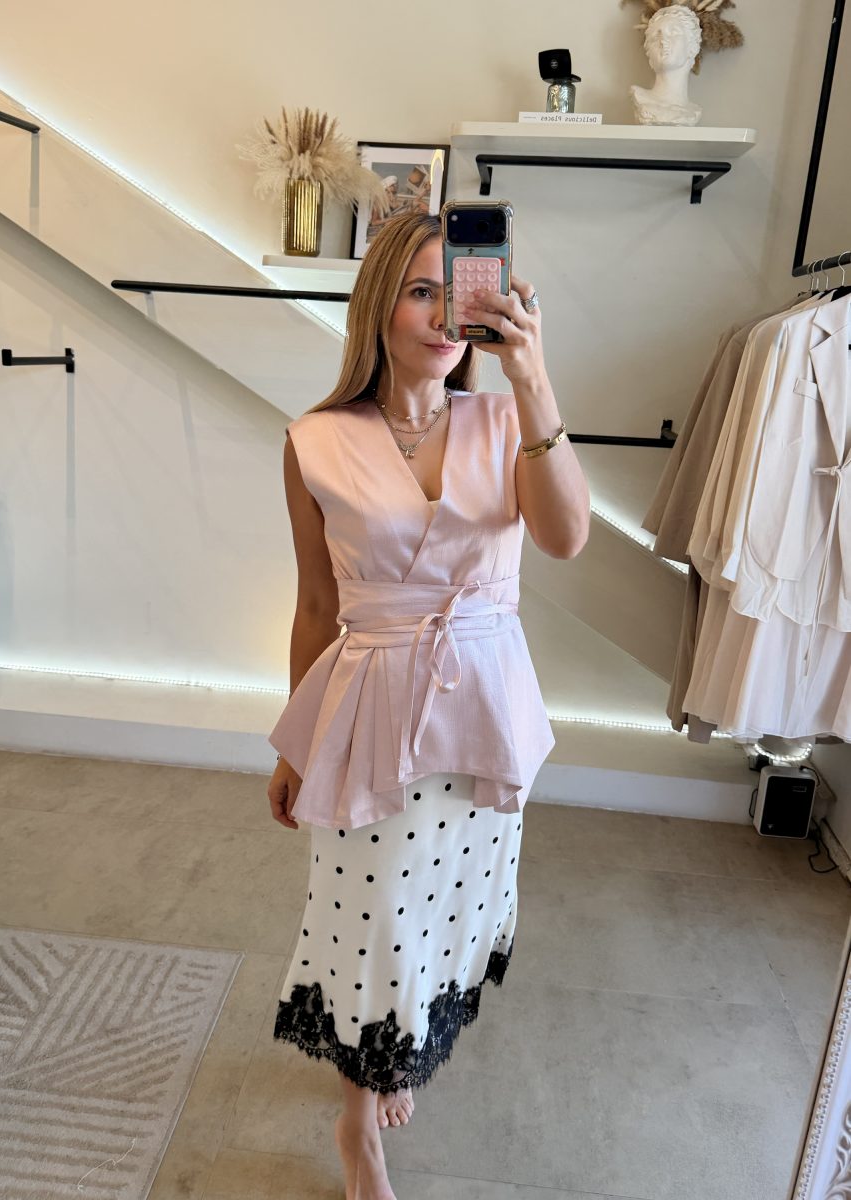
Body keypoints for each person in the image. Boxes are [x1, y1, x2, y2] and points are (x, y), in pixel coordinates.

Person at [266, 211, 590, 1200]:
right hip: (371, 711)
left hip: (484, 707)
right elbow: (315, 605)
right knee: (369, 919)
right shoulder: (316, 441)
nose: (447, 315)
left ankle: (391, 1058)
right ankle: (357, 1124)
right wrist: (293, 746)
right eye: (420, 292)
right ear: (378, 305)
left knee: (445, 906)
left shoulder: (506, 422)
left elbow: (566, 537)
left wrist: (532, 377)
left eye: (462, 293)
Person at [630, 4, 703, 127]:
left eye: (674, 32)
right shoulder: (640, 98)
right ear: (648, 52)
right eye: (656, 36)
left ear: (693, 46)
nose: (663, 41)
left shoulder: (694, 111)